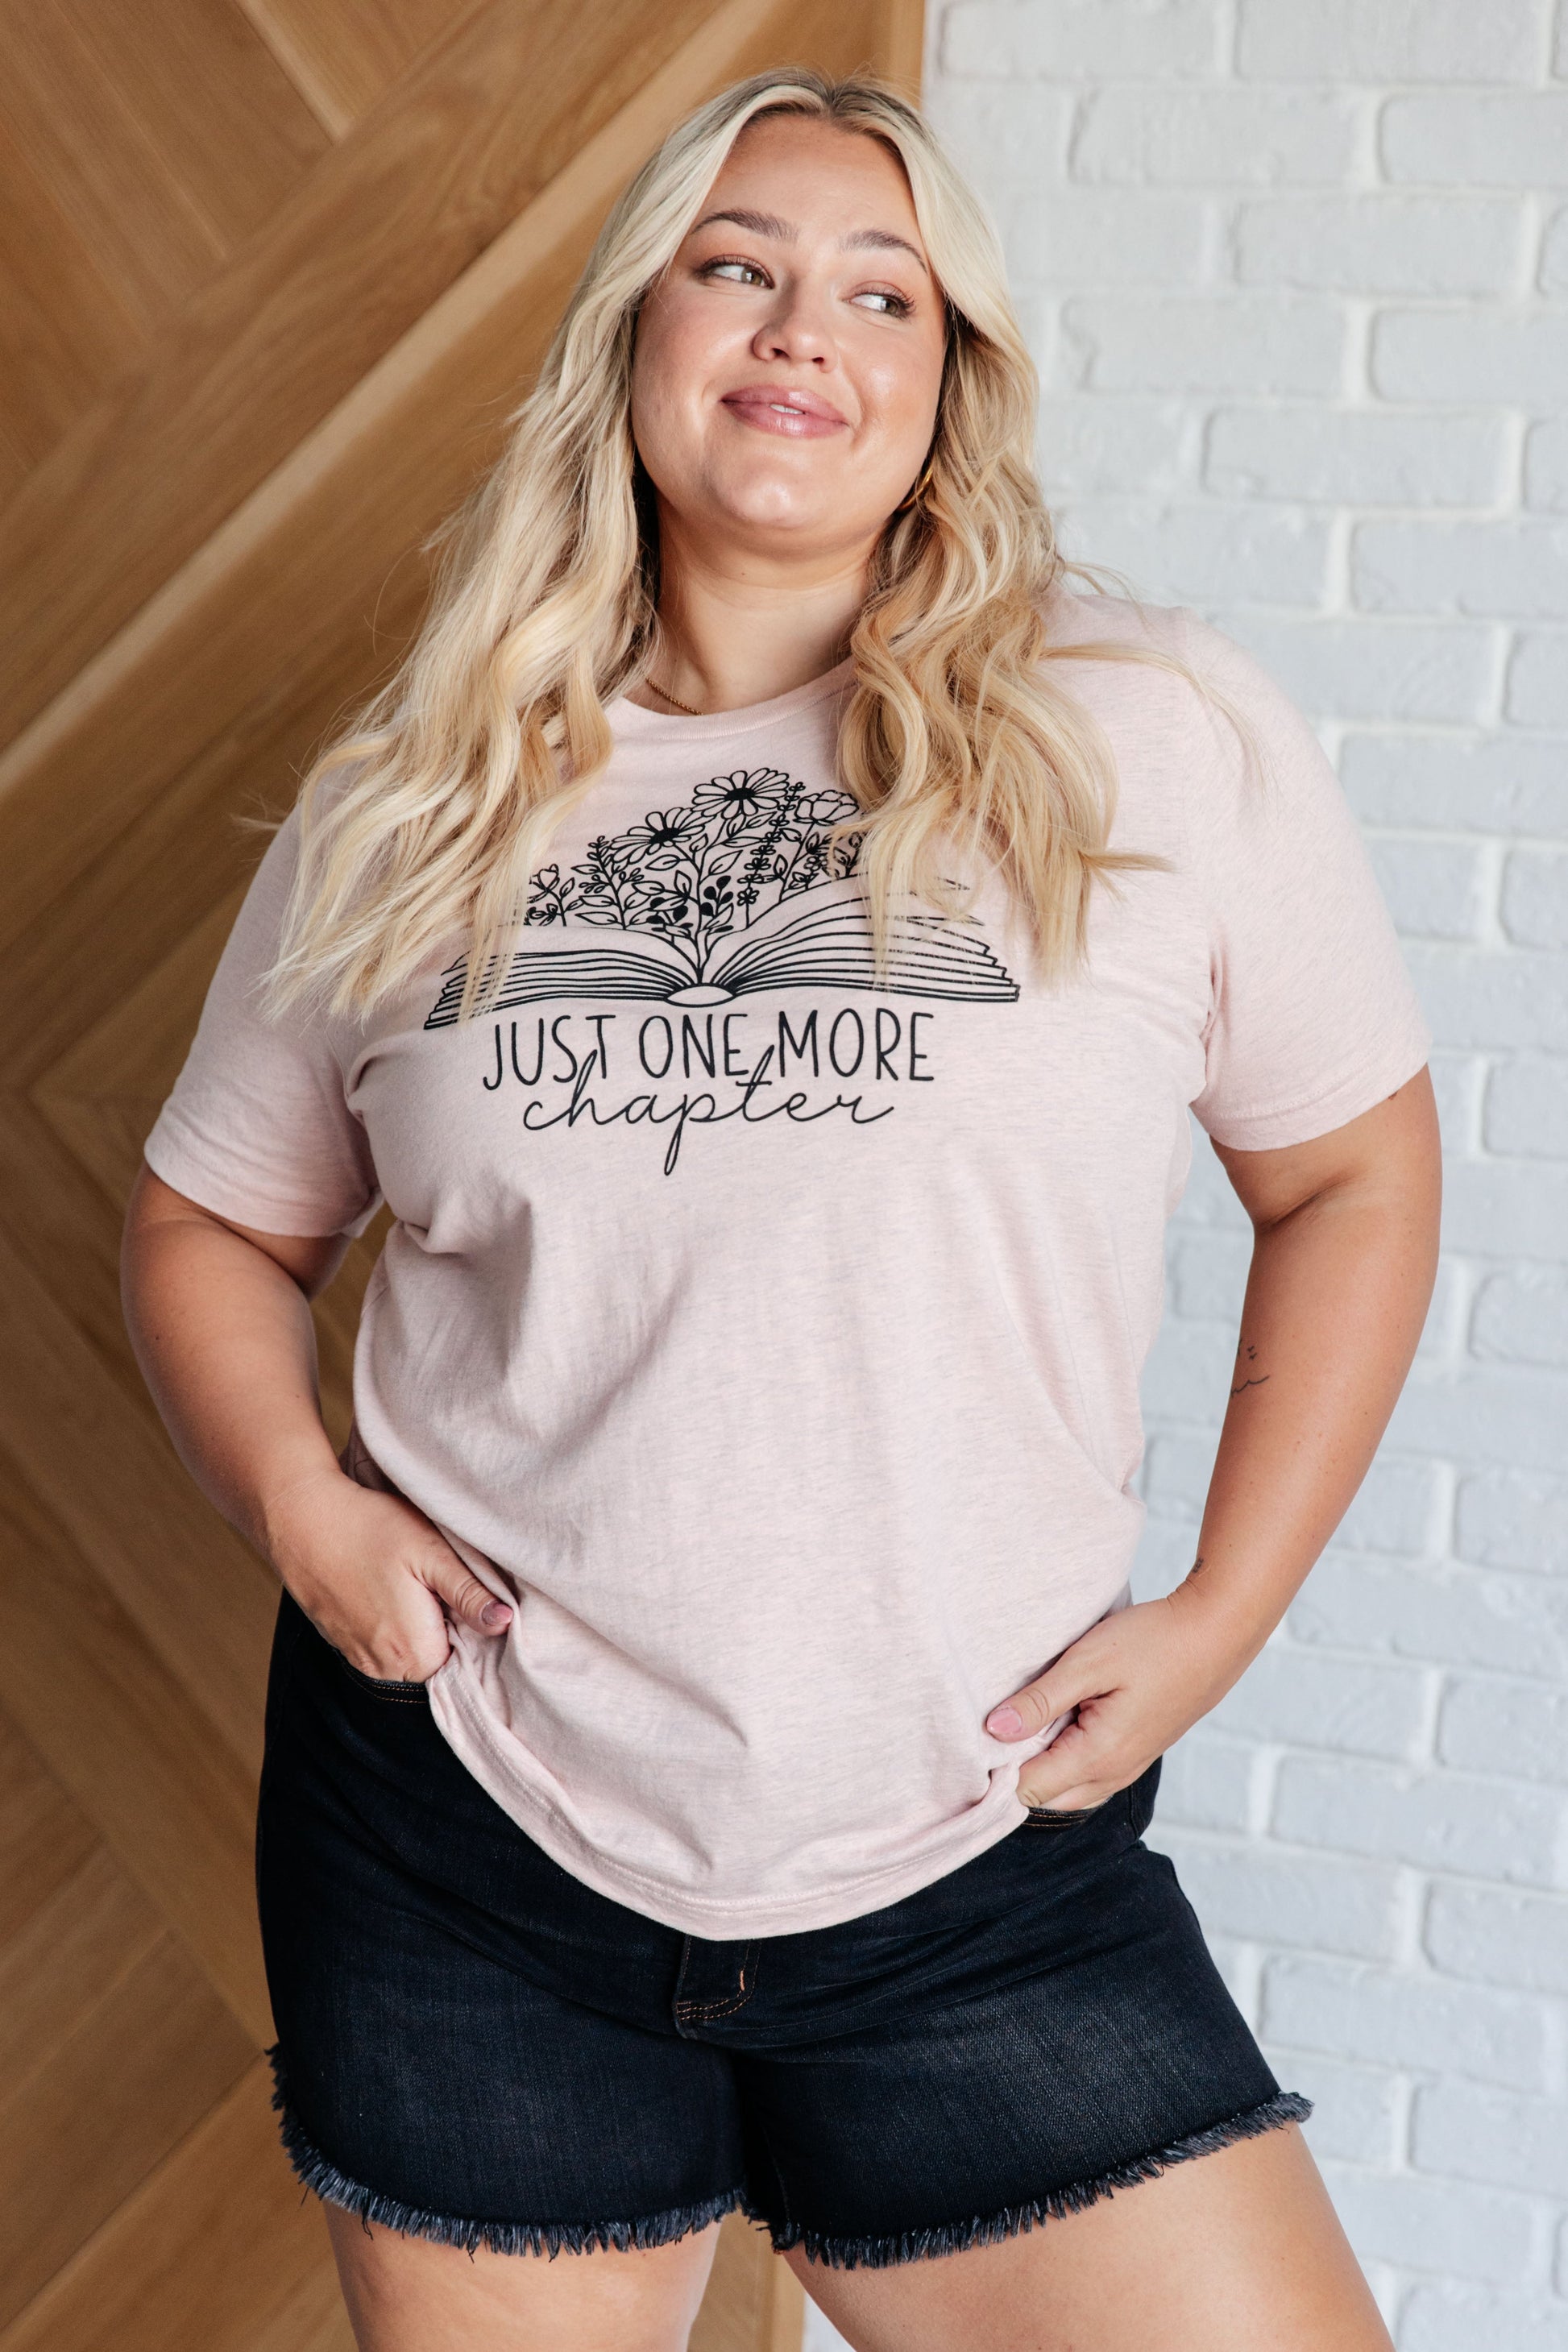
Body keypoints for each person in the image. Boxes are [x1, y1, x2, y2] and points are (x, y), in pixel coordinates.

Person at [121, 68, 1439, 2352]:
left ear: (949, 383)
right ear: (635, 332)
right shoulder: (421, 796)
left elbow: (1350, 1175)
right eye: (733, 266)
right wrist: (302, 1512)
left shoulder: (1147, 737)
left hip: (975, 1864)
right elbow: (207, 1225)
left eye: (879, 290)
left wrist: (1227, 1609)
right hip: (467, 1857)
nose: (799, 327)